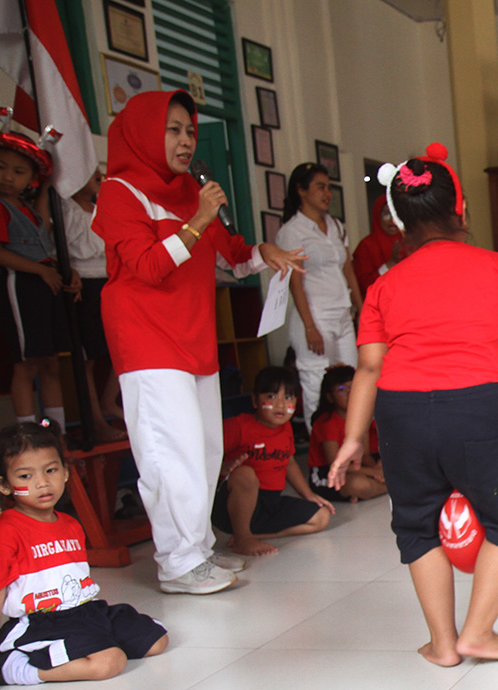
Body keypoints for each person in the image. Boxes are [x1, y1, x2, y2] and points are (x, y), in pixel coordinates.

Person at [328, 142, 498, 667]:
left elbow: (368, 368)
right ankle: (477, 632)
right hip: (474, 406)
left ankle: (442, 643)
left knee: (415, 525)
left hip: (400, 412)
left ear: (399, 222)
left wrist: (352, 439)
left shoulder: (383, 287)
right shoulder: (497, 268)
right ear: (460, 209)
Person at [93, 90, 304, 595]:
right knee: (171, 452)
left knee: (206, 450)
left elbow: (230, 255)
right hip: (146, 338)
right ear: (145, 132)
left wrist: (263, 253)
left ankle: (198, 552)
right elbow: (147, 265)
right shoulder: (119, 191)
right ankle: (176, 563)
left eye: (190, 130)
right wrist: (198, 221)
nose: (186, 140)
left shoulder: (191, 190)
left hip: (194, 338)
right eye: (173, 130)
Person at [0, 421, 168, 685]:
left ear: (66, 472)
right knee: (110, 661)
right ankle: (16, 668)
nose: (42, 483)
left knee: (155, 640)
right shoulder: (4, 531)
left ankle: (90, 645)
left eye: (50, 470)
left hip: (85, 611)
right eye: (26, 476)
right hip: (41, 622)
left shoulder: (70, 523)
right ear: (4, 485)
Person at [0, 130, 78, 431]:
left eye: (18, 171)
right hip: (20, 286)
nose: (8, 177)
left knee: (50, 361)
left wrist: (48, 184)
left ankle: (58, 433)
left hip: (45, 286)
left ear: (30, 177)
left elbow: (43, 226)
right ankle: (28, 433)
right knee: (26, 364)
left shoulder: (27, 207)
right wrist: (40, 270)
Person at [276, 162, 363, 429]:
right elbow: (296, 283)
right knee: (317, 387)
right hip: (314, 315)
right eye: (320, 187)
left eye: (329, 188)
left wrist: (362, 308)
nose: (327, 193)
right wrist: (310, 326)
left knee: (351, 384)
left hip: (342, 314)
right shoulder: (292, 231)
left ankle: (351, 448)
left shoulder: (335, 225)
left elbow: (347, 268)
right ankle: (321, 462)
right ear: (302, 191)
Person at [212, 366, 333, 557]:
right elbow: (205, 454)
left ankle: (246, 535)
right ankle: (242, 537)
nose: (280, 405)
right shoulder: (238, 426)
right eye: (271, 396)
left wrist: (308, 494)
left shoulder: (285, 428)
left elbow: (290, 462)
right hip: (232, 505)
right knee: (245, 473)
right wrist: (221, 468)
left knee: (321, 517)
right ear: (254, 400)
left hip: (270, 502)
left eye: (288, 398)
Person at [61, 167, 126, 442]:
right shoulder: (65, 208)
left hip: (109, 281)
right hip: (83, 283)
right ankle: (97, 423)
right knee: (87, 358)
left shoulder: (102, 208)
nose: (98, 174)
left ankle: (109, 400)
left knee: (121, 348)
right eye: (88, 171)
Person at [307, 364, 385, 503]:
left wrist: (378, 472)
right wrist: (375, 473)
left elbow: (366, 455)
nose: (351, 394)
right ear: (330, 397)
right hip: (328, 473)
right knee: (360, 485)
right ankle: (387, 487)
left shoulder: (361, 417)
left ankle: (369, 489)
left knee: (388, 466)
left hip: (356, 467)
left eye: (354, 387)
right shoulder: (327, 422)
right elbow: (334, 464)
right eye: (342, 389)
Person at [352, 196, 405, 299]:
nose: (392, 221)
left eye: (396, 215)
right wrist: (390, 263)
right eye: (387, 215)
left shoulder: (410, 242)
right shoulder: (366, 246)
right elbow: (364, 285)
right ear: (378, 216)